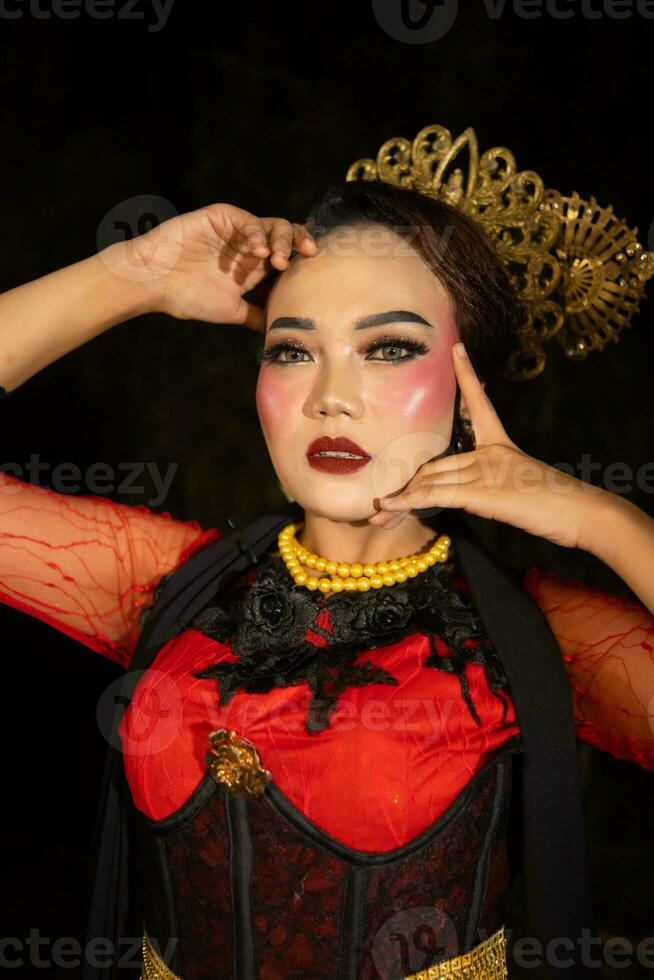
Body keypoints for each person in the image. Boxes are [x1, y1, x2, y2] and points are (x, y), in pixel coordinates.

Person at [1, 128, 653, 980]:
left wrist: (598, 516)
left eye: (388, 349)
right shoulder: (170, 586)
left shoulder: (531, 638)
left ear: (470, 387)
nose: (330, 397)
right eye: (292, 350)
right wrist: (132, 278)